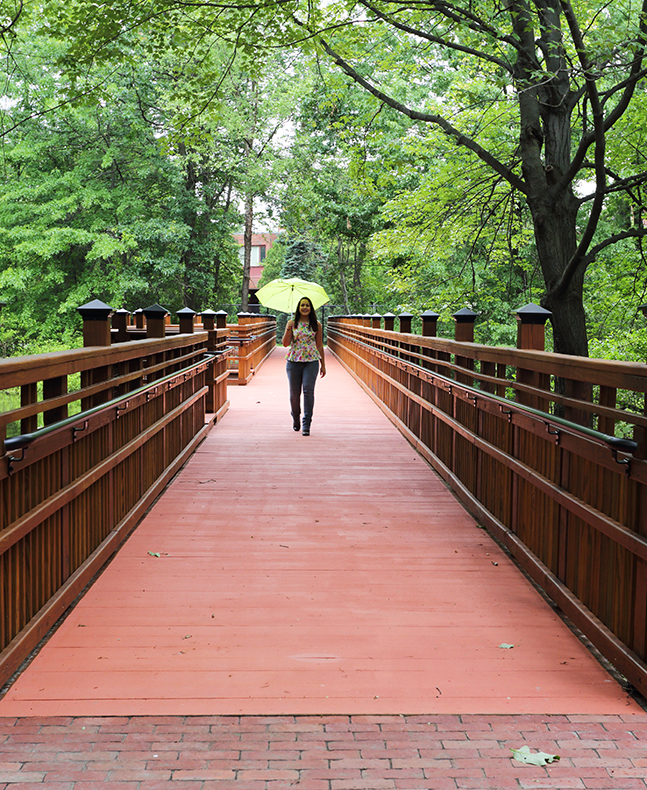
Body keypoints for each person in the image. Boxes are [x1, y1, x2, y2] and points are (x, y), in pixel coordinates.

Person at [282, 297, 326, 435]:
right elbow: (285, 343)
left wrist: (323, 364)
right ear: (298, 308)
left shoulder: (316, 324)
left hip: (311, 361)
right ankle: (296, 417)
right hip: (294, 361)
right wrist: (289, 328)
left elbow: (319, 345)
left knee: (308, 391)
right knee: (294, 394)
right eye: (302, 305)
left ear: (311, 308)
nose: (305, 307)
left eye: (307, 305)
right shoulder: (292, 323)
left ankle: (306, 423)